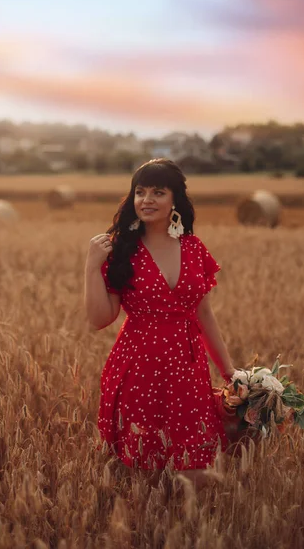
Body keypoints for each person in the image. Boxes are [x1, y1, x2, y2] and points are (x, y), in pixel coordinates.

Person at [84, 158, 235, 490]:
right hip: (138, 367)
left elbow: (204, 315)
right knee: (143, 472)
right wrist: (92, 267)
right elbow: (99, 319)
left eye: (157, 192)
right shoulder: (122, 251)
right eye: (139, 192)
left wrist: (229, 373)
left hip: (187, 367)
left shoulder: (194, 249)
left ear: (175, 201)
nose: (146, 199)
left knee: (194, 472)